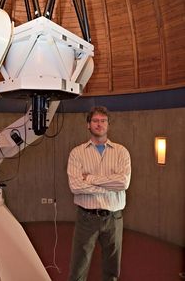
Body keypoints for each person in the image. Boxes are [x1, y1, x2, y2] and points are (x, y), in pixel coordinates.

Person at [67, 106, 131, 281]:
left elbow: (123, 183)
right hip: (86, 218)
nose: (99, 124)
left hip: (114, 218)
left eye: (103, 120)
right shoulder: (77, 153)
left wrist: (90, 178)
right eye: (95, 120)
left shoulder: (121, 152)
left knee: (112, 269)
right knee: (78, 268)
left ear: (108, 124)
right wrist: (109, 184)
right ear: (88, 125)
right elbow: (75, 186)